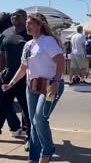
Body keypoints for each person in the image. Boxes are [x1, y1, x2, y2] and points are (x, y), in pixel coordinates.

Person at [2, 13, 65, 163]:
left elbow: (60, 60)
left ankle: (48, 150)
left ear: (40, 25)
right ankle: (34, 159)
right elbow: (23, 68)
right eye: (27, 23)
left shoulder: (48, 41)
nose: (27, 26)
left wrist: (56, 81)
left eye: (30, 23)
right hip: (31, 87)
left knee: (39, 119)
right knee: (33, 123)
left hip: (50, 86)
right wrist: (11, 83)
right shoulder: (28, 44)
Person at [0, 9, 31, 149]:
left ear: (25, 18)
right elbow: (1, 54)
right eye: (13, 15)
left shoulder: (31, 34)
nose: (14, 17)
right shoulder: (5, 33)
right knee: (1, 108)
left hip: (26, 78)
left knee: (27, 109)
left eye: (18, 16)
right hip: (7, 78)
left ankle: (30, 137)